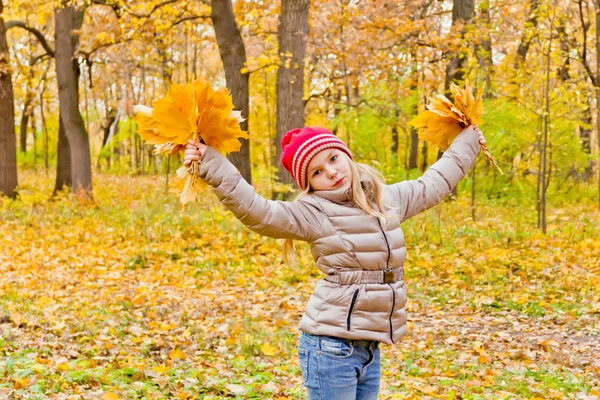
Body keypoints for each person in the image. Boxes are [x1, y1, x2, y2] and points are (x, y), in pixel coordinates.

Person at [184, 125, 485, 400]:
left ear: (345, 154)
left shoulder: (387, 199)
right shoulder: (313, 212)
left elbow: (436, 181)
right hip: (330, 348)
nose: (330, 172)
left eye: (332, 158)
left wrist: (468, 139)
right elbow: (259, 211)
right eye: (316, 172)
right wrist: (211, 162)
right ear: (310, 184)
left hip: (369, 346)